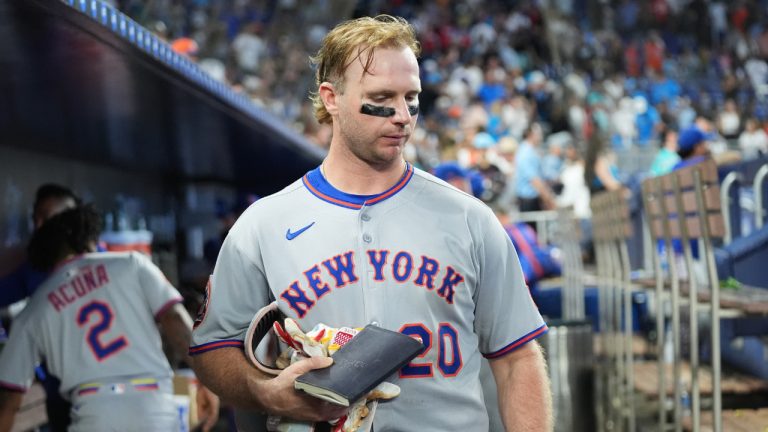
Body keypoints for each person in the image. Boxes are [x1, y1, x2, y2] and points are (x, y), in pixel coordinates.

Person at [189, 14, 552, 432]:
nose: (402, 115)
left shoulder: (469, 218)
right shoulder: (264, 224)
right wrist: (263, 391)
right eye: (382, 97)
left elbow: (517, 357)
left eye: (411, 97)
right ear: (331, 98)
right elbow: (213, 348)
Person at [0, 205, 220, 431]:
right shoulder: (131, 263)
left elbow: (9, 400)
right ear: (87, 238)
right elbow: (174, 319)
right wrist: (208, 380)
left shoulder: (35, 307)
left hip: (93, 410)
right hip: (153, 406)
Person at [0, 183, 80, 431]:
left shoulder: (105, 264)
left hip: (102, 387)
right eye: (36, 217)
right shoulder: (35, 269)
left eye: (48, 217)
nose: (39, 225)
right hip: (58, 390)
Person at [514, 122, 556, 212]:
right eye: (538, 134)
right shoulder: (526, 153)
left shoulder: (529, 151)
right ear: (530, 135)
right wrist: (549, 200)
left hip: (532, 200)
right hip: (528, 201)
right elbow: (535, 181)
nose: (540, 137)